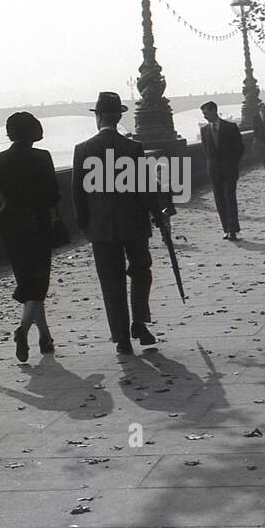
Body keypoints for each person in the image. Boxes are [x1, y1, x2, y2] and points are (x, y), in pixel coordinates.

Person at [73, 92, 164, 356]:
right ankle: (139, 322)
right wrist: (157, 215)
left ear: (98, 117)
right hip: (134, 222)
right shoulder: (132, 148)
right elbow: (146, 188)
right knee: (140, 271)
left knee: (111, 281)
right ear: (120, 116)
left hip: (100, 227)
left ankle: (121, 338)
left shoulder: (83, 150)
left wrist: (84, 226)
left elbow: (77, 193)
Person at [0, 111, 61, 363]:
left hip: (10, 228)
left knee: (28, 283)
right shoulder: (43, 157)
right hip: (38, 226)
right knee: (37, 285)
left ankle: (45, 337)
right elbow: (54, 195)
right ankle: (22, 331)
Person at [199, 100, 244, 240]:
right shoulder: (204, 130)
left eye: (206, 113)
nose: (204, 117)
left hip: (229, 170)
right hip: (214, 171)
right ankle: (226, 228)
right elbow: (206, 151)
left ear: (214, 111)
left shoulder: (230, 127)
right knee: (220, 201)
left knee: (230, 199)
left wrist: (233, 163)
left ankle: (232, 229)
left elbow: (240, 148)